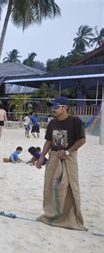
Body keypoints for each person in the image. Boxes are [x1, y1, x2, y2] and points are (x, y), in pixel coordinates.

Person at [36, 96, 87, 231]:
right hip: (54, 157)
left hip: (68, 158)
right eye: (52, 107)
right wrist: (41, 157)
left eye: (56, 107)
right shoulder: (52, 123)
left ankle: (68, 217)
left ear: (64, 107)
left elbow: (82, 140)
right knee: (50, 186)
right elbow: (48, 141)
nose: (53, 109)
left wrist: (68, 152)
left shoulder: (75, 121)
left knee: (68, 186)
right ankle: (52, 215)